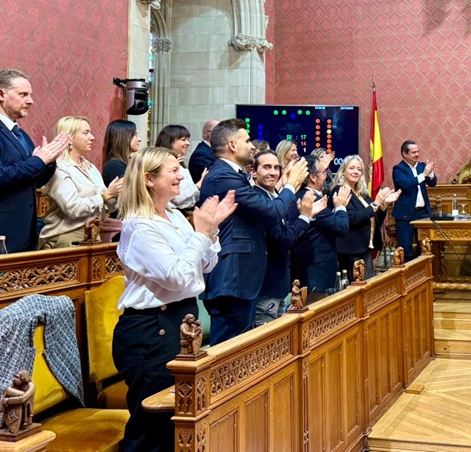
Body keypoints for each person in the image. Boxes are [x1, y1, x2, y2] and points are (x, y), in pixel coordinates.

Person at [112, 147, 236, 452]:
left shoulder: (176, 217)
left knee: (178, 419)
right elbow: (178, 276)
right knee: (151, 429)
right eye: (173, 170)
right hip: (150, 330)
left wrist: (210, 232)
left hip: (181, 320)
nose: (182, 175)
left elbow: (205, 264)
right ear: (149, 179)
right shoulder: (139, 227)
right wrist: (202, 234)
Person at [198, 119, 309, 345]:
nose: (251, 146)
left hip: (243, 279)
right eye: (247, 141)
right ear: (232, 145)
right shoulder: (222, 175)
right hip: (232, 278)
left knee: (244, 351)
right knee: (229, 352)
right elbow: (271, 211)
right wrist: (290, 185)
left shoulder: (235, 175)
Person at [0, 69, 70, 255]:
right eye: (23, 94)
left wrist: (48, 162)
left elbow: (32, 181)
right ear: (0, 94)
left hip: (23, 235)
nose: (30, 101)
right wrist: (38, 160)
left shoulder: (21, 134)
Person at [250, 150, 326, 326]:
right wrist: (305, 217)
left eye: (276, 168)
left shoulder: (275, 198)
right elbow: (283, 241)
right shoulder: (260, 199)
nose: (273, 172)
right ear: (253, 172)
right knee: (268, 339)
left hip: (280, 285)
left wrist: (306, 216)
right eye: (266, 167)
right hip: (266, 286)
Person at [39, 117, 123, 249]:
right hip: (66, 237)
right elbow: (73, 208)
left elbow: (107, 207)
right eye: (86, 133)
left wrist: (117, 193)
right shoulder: (59, 168)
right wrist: (105, 196)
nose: (92, 137)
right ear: (69, 138)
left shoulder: (90, 167)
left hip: (93, 234)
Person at [331, 155, 399, 279]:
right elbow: (353, 219)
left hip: (365, 248)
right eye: (352, 168)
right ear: (343, 171)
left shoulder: (362, 193)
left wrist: (383, 205)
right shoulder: (340, 190)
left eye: (359, 169)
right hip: (351, 250)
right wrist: (376, 203)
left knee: (368, 286)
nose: (356, 172)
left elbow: (374, 219)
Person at [292, 155, 351, 294]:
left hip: (307, 262)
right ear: (313, 177)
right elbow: (341, 227)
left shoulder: (298, 194)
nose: (326, 176)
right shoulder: (311, 199)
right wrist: (341, 206)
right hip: (318, 266)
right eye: (323, 172)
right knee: (320, 303)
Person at [392, 140, 437, 260]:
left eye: (418, 151)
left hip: (423, 213)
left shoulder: (421, 166)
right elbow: (406, 184)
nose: (417, 154)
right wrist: (424, 175)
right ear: (404, 154)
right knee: (406, 249)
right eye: (413, 152)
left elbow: (433, 183)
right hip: (405, 214)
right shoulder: (398, 169)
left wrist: (430, 173)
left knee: (425, 247)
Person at [155, 124, 202, 212]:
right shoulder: (161, 164)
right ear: (170, 141)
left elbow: (190, 199)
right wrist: (199, 185)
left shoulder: (181, 164)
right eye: (183, 140)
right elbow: (176, 198)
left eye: (188, 139)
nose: (187, 143)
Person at [102, 119, 140, 183]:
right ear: (123, 137)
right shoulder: (114, 166)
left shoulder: (125, 162)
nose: (139, 139)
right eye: (135, 135)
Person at [188, 119, 219, 184]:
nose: (225, 136)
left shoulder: (211, 150)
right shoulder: (201, 154)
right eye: (221, 132)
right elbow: (215, 179)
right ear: (210, 134)